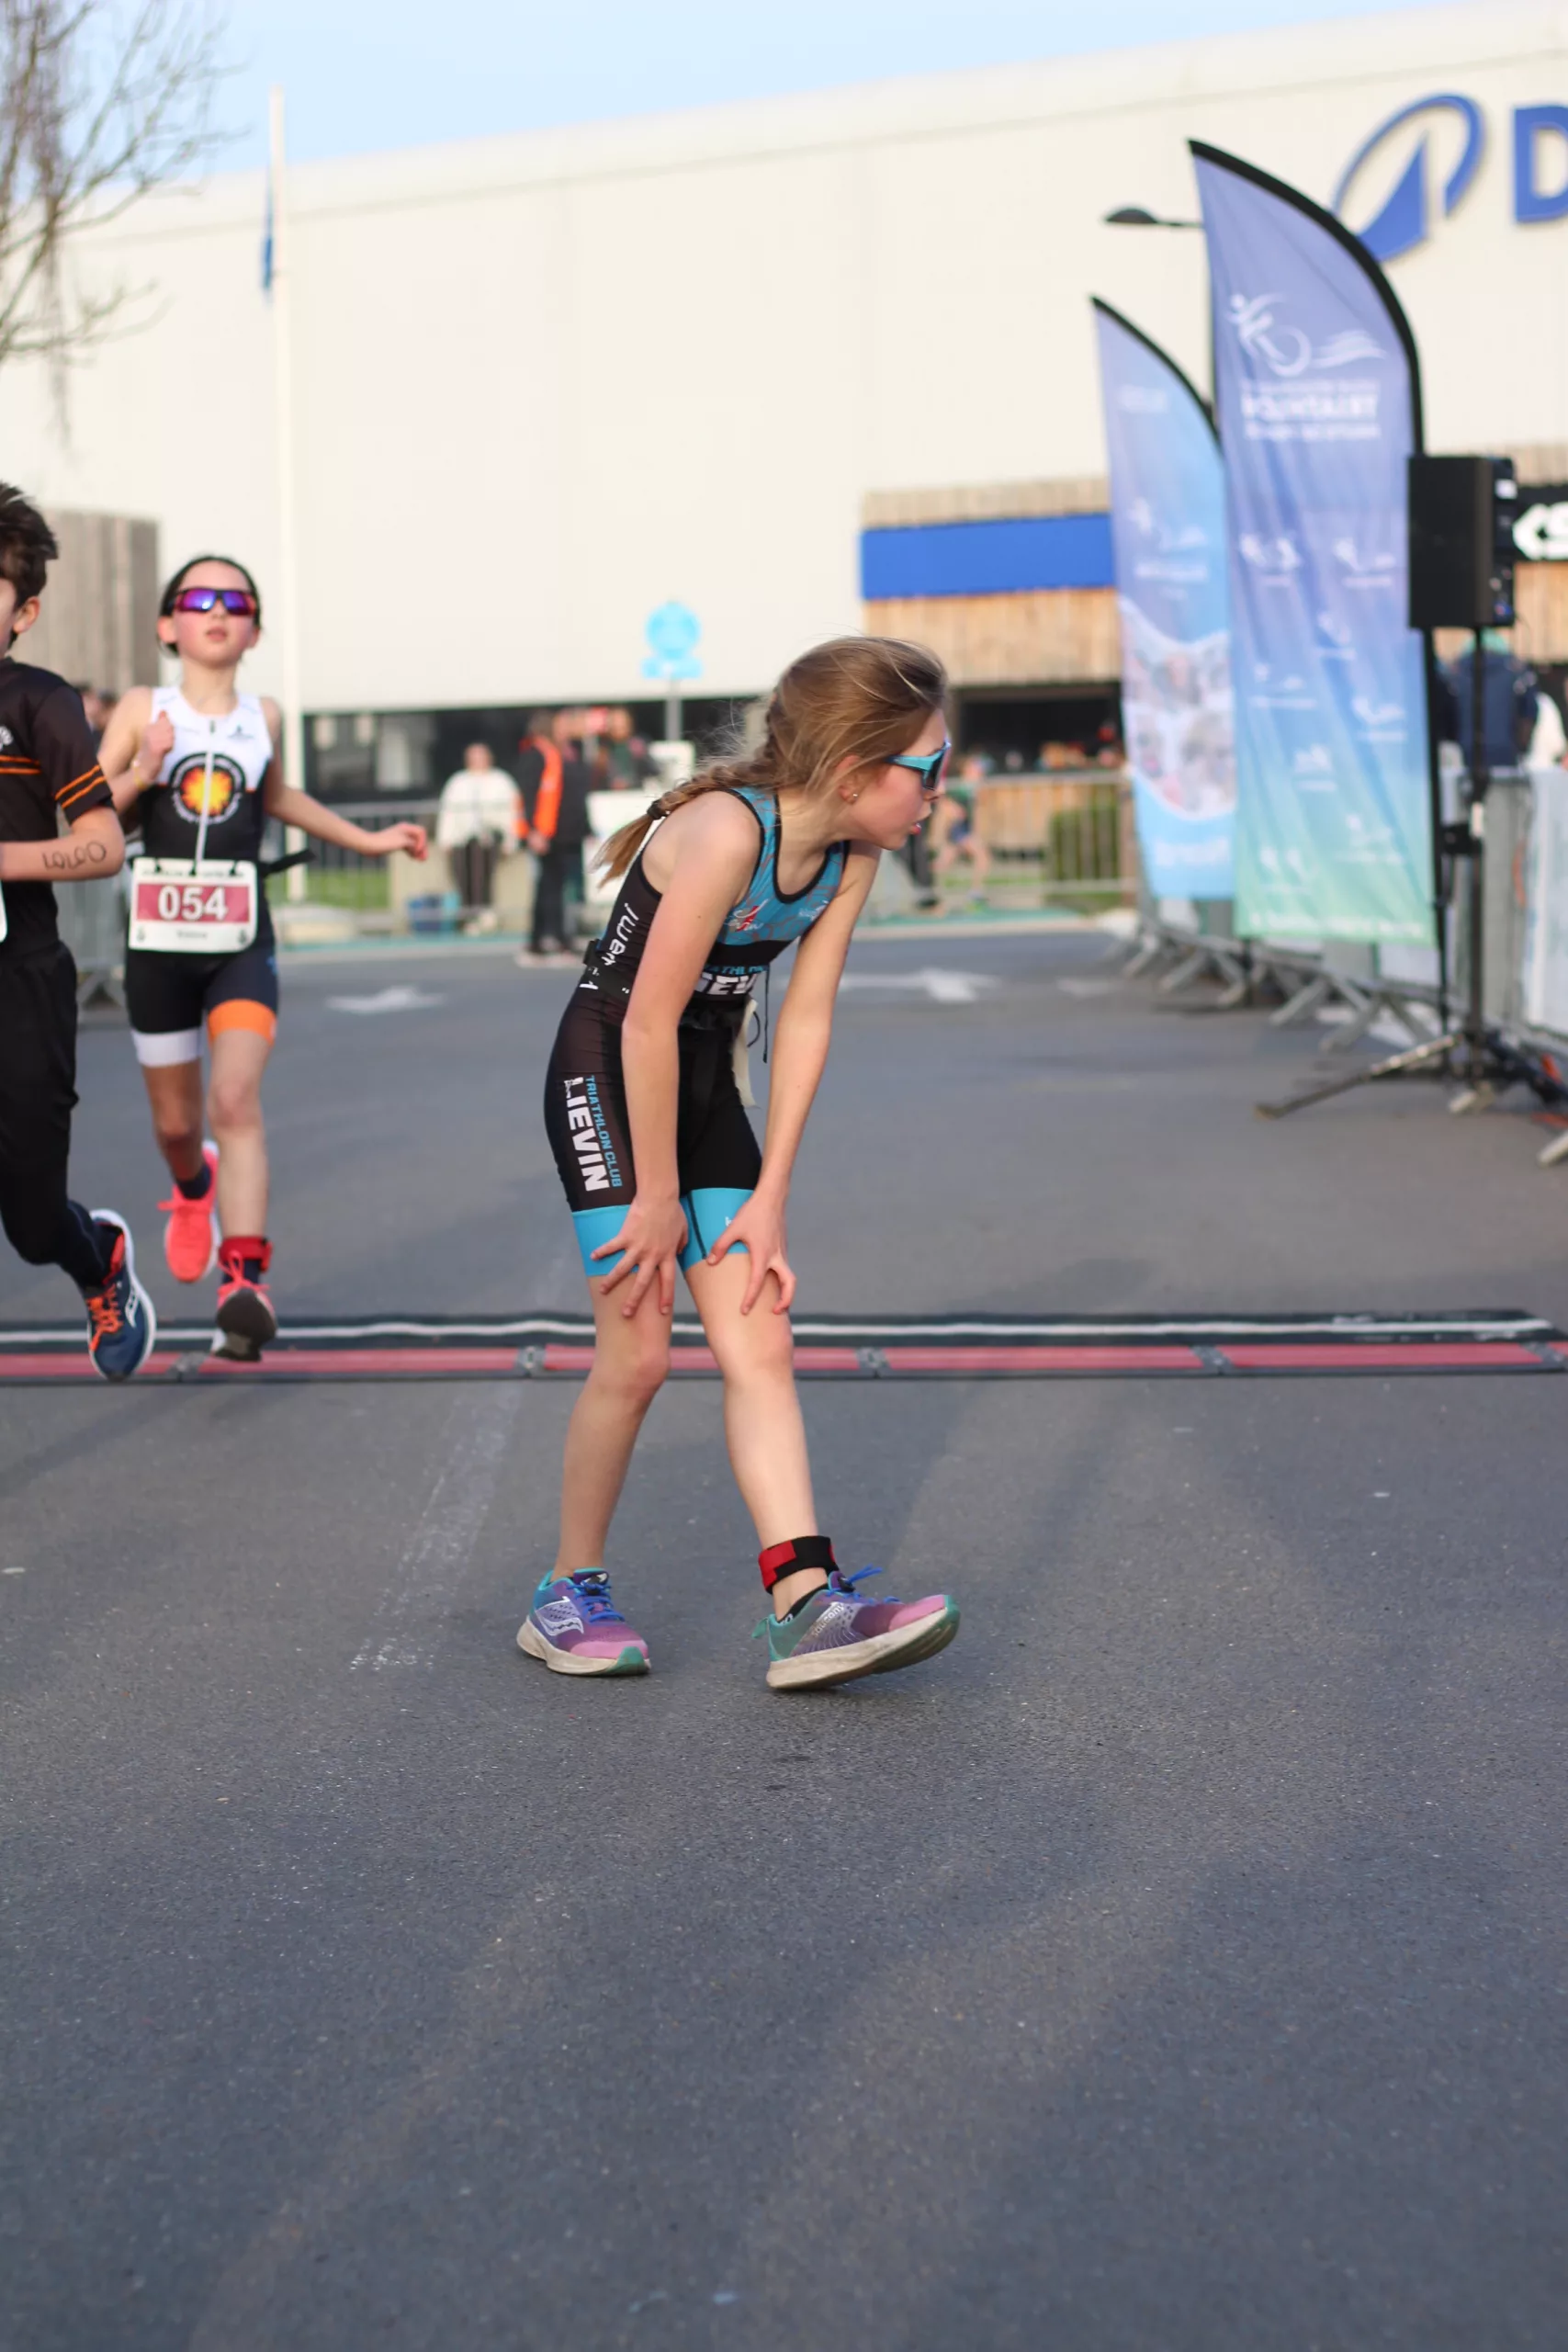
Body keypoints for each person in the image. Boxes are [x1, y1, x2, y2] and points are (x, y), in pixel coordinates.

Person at [519, 635, 962, 1691]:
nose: (940, 792)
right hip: (609, 1074)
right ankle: (566, 1591)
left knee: (760, 1335)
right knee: (639, 1354)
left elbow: (804, 1020)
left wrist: (771, 1195)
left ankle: (805, 1603)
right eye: (930, 768)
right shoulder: (726, 833)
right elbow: (644, 1023)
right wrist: (657, 1196)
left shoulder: (853, 855)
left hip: (705, 1083)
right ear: (854, 772)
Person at [99, 555, 427, 1359]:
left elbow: (279, 799)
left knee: (235, 1098)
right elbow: (91, 811)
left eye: (236, 601)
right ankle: (192, 1187)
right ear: (167, 624)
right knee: (178, 1126)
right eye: (198, 598)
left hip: (240, 940)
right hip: (158, 945)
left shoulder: (263, 716)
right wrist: (143, 768)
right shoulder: (144, 707)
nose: (218, 611)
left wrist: (372, 839)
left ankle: (243, 1283)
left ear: (254, 629)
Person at [0, 484, 154, 1379]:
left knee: (29, 1222)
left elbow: (99, 844)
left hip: (21, 976)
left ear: (22, 613)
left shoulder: (39, 702)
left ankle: (98, 1259)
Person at [519, 711, 592, 964]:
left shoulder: (565, 753)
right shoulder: (537, 755)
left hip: (565, 832)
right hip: (548, 832)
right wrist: (533, 830)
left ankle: (548, 939)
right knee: (550, 888)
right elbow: (529, 795)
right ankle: (550, 939)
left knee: (556, 887)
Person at [434, 741, 520, 931]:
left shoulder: (501, 781)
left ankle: (485, 912)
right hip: (461, 838)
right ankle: (467, 916)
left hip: (490, 837)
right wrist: (445, 839)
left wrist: (510, 840)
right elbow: (448, 812)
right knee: (461, 875)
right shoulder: (458, 782)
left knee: (482, 874)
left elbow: (512, 813)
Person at [931, 752, 991, 900]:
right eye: (975, 768)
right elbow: (942, 798)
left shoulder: (972, 786)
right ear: (967, 769)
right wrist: (951, 808)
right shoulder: (959, 786)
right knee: (982, 857)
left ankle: (926, 888)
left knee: (943, 863)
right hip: (958, 829)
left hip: (964, 829)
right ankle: (975, 892)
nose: (979, 771)